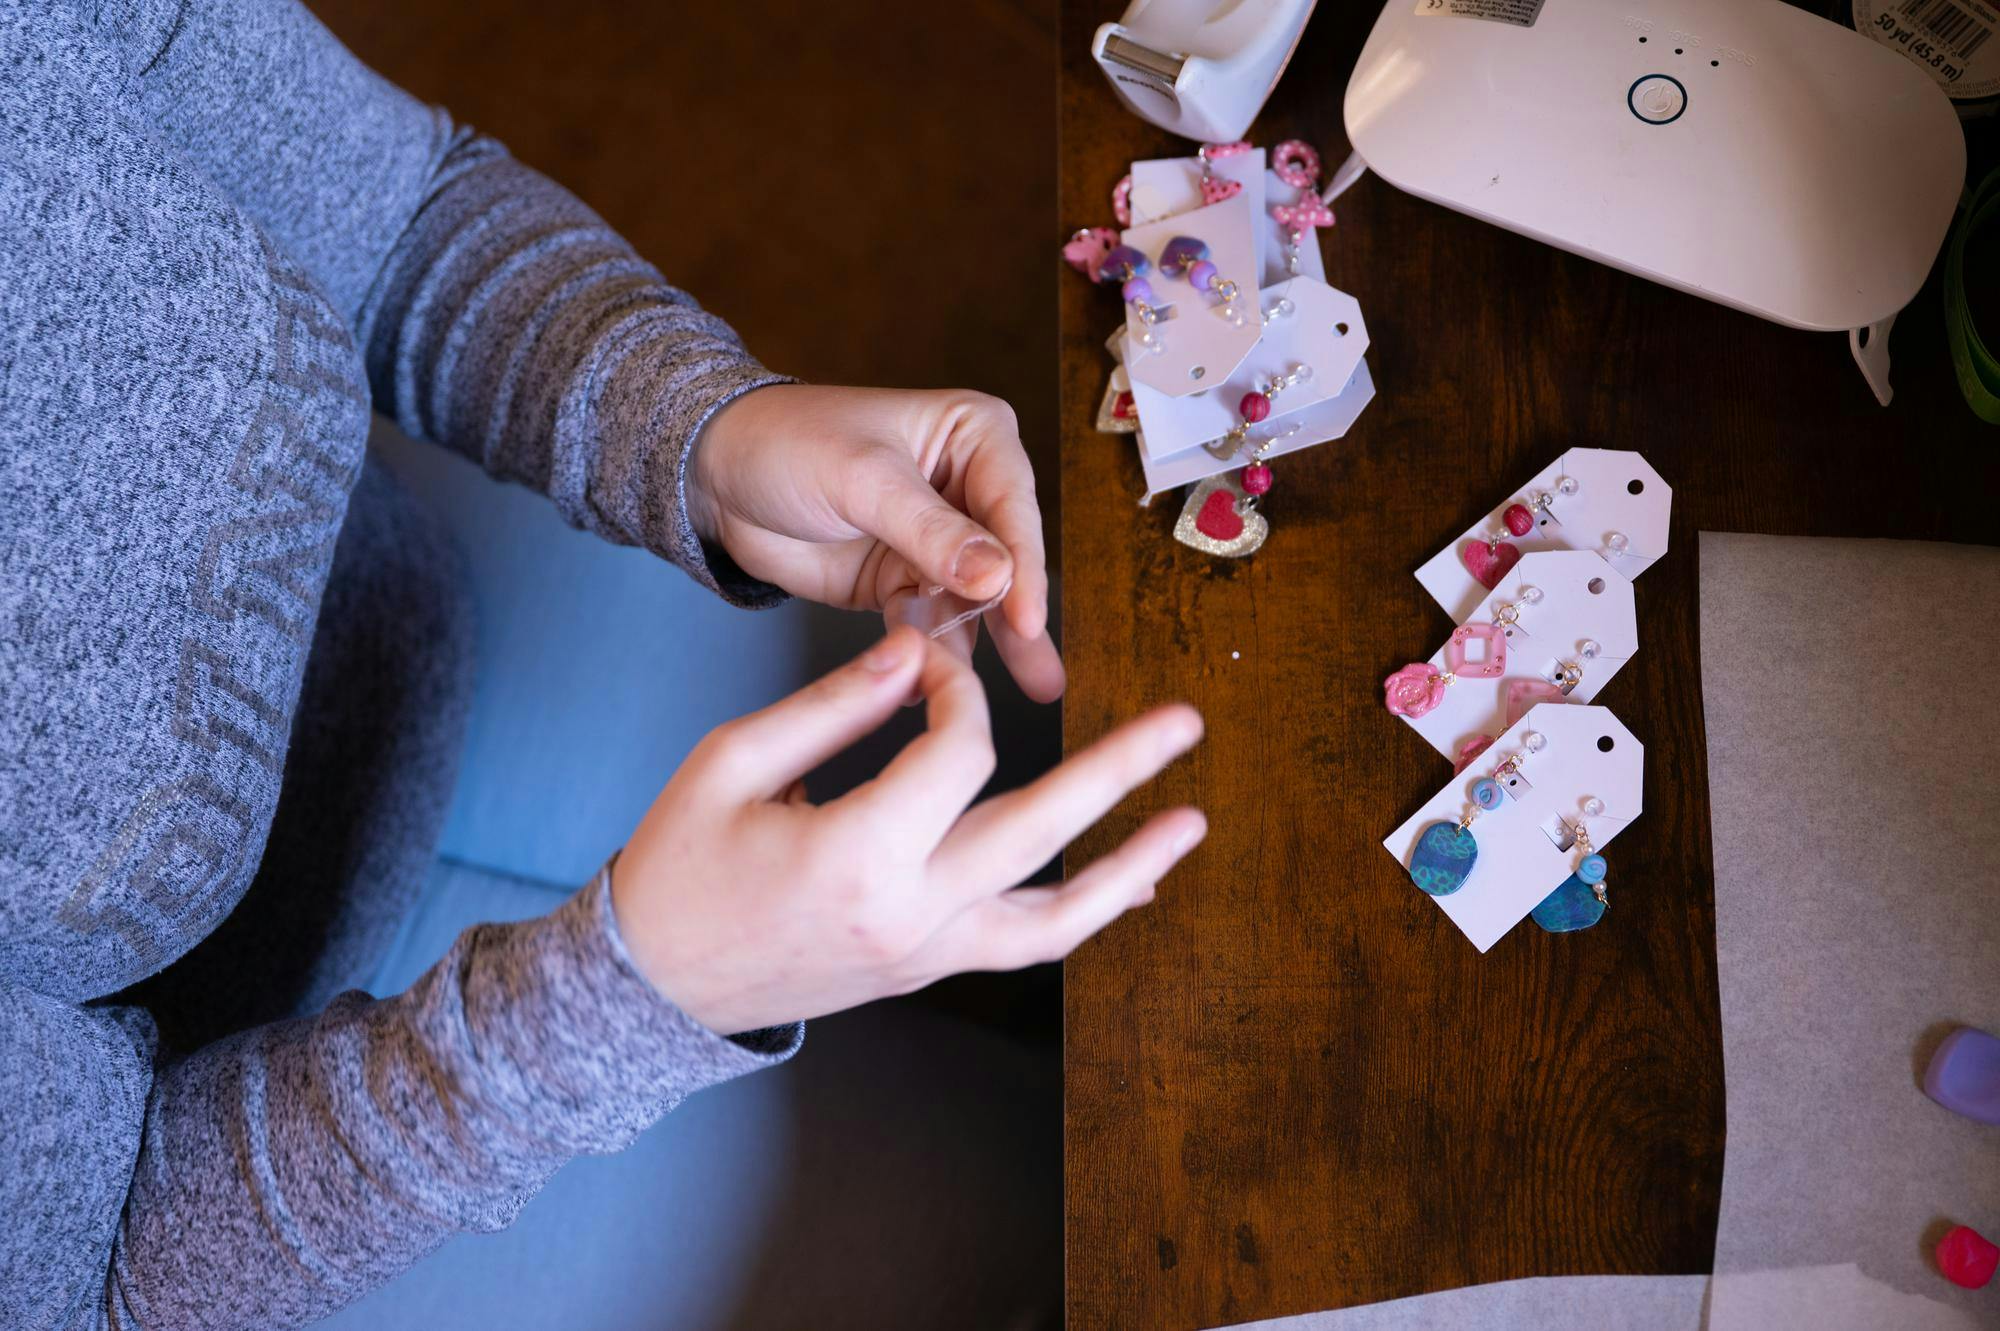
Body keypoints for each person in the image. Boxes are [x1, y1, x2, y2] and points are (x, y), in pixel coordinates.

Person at [0, 2, 1208, 1326]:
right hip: (316, 1159)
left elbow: (394, 209)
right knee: (1066, 1212)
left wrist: (702, 427)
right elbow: (97, 1283)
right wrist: (631, 998)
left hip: (421, 622)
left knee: (1127, 710)